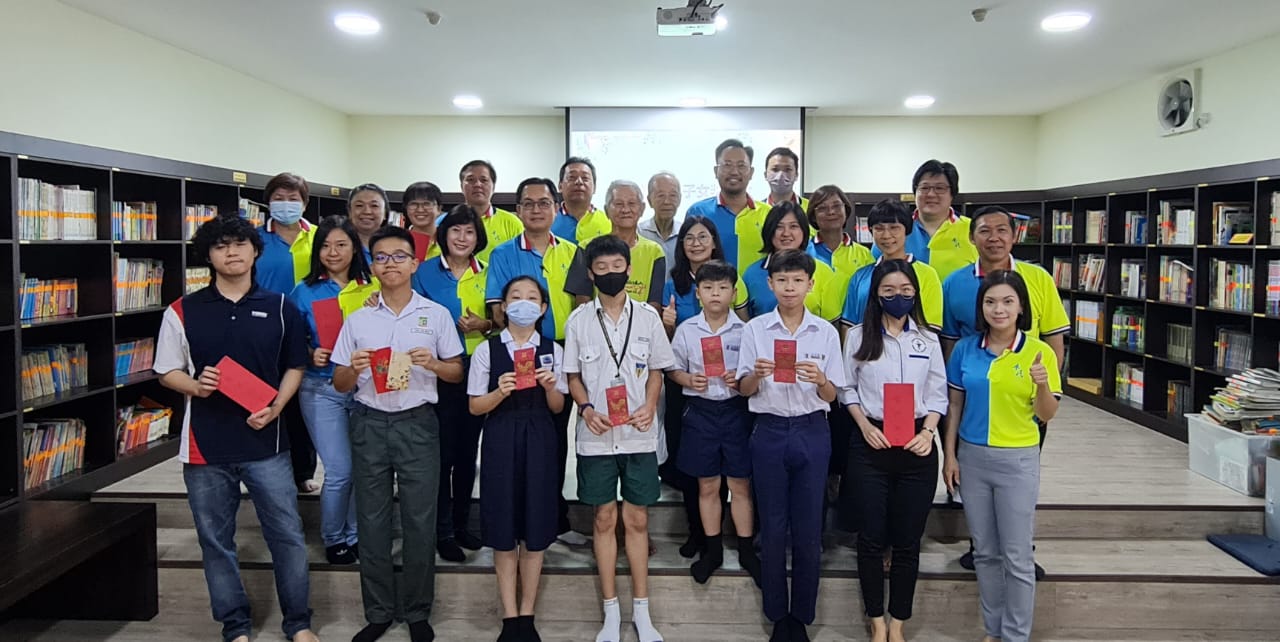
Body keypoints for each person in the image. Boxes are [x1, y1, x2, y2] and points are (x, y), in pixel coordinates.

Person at [153, 214, 318, 642]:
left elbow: (295, 366)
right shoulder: (182, 310)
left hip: (267, 443)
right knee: (215, 540)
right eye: (221, 246)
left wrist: (277, 406)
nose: (232, 252)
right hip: (205, 447)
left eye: (240, 244)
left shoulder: (283, 308)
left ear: (255, 251)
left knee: (287, 536)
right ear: (208, 255)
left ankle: (298, 623)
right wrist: (195, 385)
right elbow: (166, 370)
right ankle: (235, 626)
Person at [331, 226, 465, 642]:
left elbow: (456, 371)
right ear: (372, 265)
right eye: (382, 257)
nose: (390, 263)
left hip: (418, 423)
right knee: (372, 520)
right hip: (369, 422)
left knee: (420, 520)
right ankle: (378, 611)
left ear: (414, 263)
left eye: (399, 256)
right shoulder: (357, 318)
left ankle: (418, 610)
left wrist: (433, 365)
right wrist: (353, 367)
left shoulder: (436, 314)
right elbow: (338, 382)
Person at [565, 235, 676, 642]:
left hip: (638, 433)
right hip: (596, 436)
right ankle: (610, 611)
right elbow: (573, 376)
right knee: (604, 517)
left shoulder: (648, 317)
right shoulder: (578, 320)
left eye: (617, 266)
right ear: (590, 273)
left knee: (638, 518)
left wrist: (649, 405)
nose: (610, 274)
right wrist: (586, 408)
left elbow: (658, 371)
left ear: (629, 270)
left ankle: (642, 613)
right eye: (601, 268)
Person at [942, 270, 1061, 642]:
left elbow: (1046, 414)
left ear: (1021, 306)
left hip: (1018, 460)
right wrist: (949, 455)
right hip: (972, 458)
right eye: (991, 301)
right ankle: (993, 631)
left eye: (1008, 301)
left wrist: (1042, 384)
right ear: (982, 307)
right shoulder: (965, 349)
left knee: (1018, 555)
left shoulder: (1039, 352)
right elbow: (955, 405)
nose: (999, 309)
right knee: (986, 553)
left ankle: (1015, 635)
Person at [736, 249, 846, 642]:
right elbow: (742, 388)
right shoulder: (756, 330)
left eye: (798, 280)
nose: (789, 287)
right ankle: (776, 613)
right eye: (782, 280)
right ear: (770, 284)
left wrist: (820, 380)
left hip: (812, 430)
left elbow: (834, 395)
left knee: (808, 527)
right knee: (773, 523)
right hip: (767, 429)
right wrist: (756, 375)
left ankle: (801, 614)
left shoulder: (826, 333)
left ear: (811, 284)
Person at [839, 259, 947, 642]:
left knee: (907, 541)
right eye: (888, 291)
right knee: (870, 539)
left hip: (917, 445)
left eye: (905, 291)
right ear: (876, 295)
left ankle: (898, 622)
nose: (897, 297)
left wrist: (929, 430)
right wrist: (865, 426)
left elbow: (938, 393)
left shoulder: (928, 339)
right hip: (872, 442)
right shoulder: (857, 337)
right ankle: (876, 620)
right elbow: (845, 388)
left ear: (915, 293)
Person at [485, 177, 592, 548]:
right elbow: (497, 309)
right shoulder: (502, 253)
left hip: (559, 350)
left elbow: (582, 304)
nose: (536, 209)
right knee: (512, 438)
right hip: (514, 348)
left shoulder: (573, 251)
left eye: (544, 203)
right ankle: (514, 515)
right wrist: (521, 337)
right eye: (528, 203)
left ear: (555, 207)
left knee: (554, 438)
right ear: (518, 210)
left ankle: (553, 517)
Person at [468, 275, 568, 642]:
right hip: (500, 436)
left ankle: (528, 614)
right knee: (504, 527)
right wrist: (499, 392)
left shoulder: (554, 350)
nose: (523, 303)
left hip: (540, 435)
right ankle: (509, 617)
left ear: (542, 308)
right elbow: (475, 406)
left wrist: (549, 386)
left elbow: (558, 407)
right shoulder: (487, 350)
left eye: (532, 298)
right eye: (515, 296)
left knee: (536, 525)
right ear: (503, 306)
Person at [288, 216, 378, 565]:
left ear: (355, 246)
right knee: (340, 469)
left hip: (366, 388)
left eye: (341, 244)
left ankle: (355, 534)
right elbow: (290, 343)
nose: (332, 252)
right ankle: (333, 537)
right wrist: (311, 351)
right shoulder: (304, 291)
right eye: (324, 245)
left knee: (361, 467)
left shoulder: (372, 286)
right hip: (319, 387)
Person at [658, 215, 749, 559]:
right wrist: (667, 327)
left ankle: (733, 537)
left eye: (702, 236)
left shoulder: (729, 281)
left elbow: (745, 333)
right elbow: (666, 352)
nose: (695, 243)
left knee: (735, 475)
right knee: (695, 470)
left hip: (729, 395)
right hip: (691, 389)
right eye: (688, 238)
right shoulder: (673, 283)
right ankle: (700, 534)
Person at [667, 260, 760, 585]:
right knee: (707, 485)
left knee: (740, 484)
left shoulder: (747, 330)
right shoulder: (687, 330)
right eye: (708, 288)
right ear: (698, 293)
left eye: (722, 288)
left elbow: (755, 374)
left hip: (737, 411)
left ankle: (747, 549)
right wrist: (687, 379)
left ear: (734, 293)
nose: (715, 293)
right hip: (701, 413)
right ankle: (713, 550)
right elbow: (673, 368)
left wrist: (741, 377)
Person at [412, 205, 494, 562]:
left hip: (477, 369)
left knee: (466, 453)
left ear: (479, 238)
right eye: (456, 231)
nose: (462, 238)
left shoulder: (489, 273)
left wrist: (484, 325)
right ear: (443, 235)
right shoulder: (424, 272)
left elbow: (501, 321)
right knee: (441, 454)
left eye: (470, 232)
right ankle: (441, 530)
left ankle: (461, 524)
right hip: (436, 370)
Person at [254, 172, 320, 495]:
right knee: (268, 396)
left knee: (302, 404)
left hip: (311, 327)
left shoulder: (320, 238)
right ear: (268, 201)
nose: (286, 204)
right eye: (279, 197)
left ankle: (303, 470)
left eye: (293, 199)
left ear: (304, 203)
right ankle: (265, 472)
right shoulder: (254, 240)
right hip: (266, 327)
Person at [840, 199, 944, 333]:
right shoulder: (860, 276)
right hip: (866, 350)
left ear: (907, 230)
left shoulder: (927, 274)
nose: (886, 235)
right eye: (879, 228)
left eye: (894, 228)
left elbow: (930, 328)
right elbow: (848, 325)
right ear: (871, 231)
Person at [874, 160, 976, 281]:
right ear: (915, 192)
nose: (931, 194)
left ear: (952, 193)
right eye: (925, 187)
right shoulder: (894, 230)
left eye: (939, 188)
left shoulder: (973, 229)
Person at [740, 201, 841, 320]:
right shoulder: (751, 274)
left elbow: (831, 324)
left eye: (793, 226)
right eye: (779, 227)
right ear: (769, 231)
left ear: (804, 231)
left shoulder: (823, 271)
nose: (786, 233)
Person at [685, 138, 773, 274]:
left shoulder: (768, 213)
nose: (734, 172)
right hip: (711, 292)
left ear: (751, 173)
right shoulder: (698, 212)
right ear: (716, 171)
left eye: (741, 165)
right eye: (727, 165)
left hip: (758, 292)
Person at [601, 179, 666, 307]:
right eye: (618, 204)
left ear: (642, 209)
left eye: (632, 203)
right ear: (606, 210)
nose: (625, 209)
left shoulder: (654, 251)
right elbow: (583, 300)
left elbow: (655, 303)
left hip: (642, 326)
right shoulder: (588, 248)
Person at [457, 160, 524, 263]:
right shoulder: (445, 222)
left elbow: (521, 261)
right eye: (471, 180)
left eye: (484, 180)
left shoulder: (512, 223)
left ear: (493, 186)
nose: (477, 184)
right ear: (461, 186)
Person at [805, 184, 874, 278]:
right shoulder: (803, 252)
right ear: (813, 216)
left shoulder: (864, 255)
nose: (831, 212)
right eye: (822, 208)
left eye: (836, 206)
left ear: (846, 210)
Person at [552, 157, 612, 245]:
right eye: (572, 177)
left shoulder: (608, 222)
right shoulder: (548, 220)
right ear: (560, 186)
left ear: (594, 187)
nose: (579, 182)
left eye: (585, 178)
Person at [639, 172, 682, 264]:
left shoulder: (685, 233)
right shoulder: (639, 233)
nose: (666, 201)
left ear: (679, 199)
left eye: (673, 195)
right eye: (661, 195)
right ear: (649, 200)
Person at [401, 181, 444, 260]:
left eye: (427, 204)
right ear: (406, 209)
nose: (420, 210)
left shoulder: (450, 241)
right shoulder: (398, 241)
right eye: (413, 204)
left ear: (439, 209)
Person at [348, 182, 389, 263]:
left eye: (374, 206)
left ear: (385, 213)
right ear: (350, 212)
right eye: (359, 205)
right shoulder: (340, 247)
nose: (367, 211)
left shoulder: (397, 246)